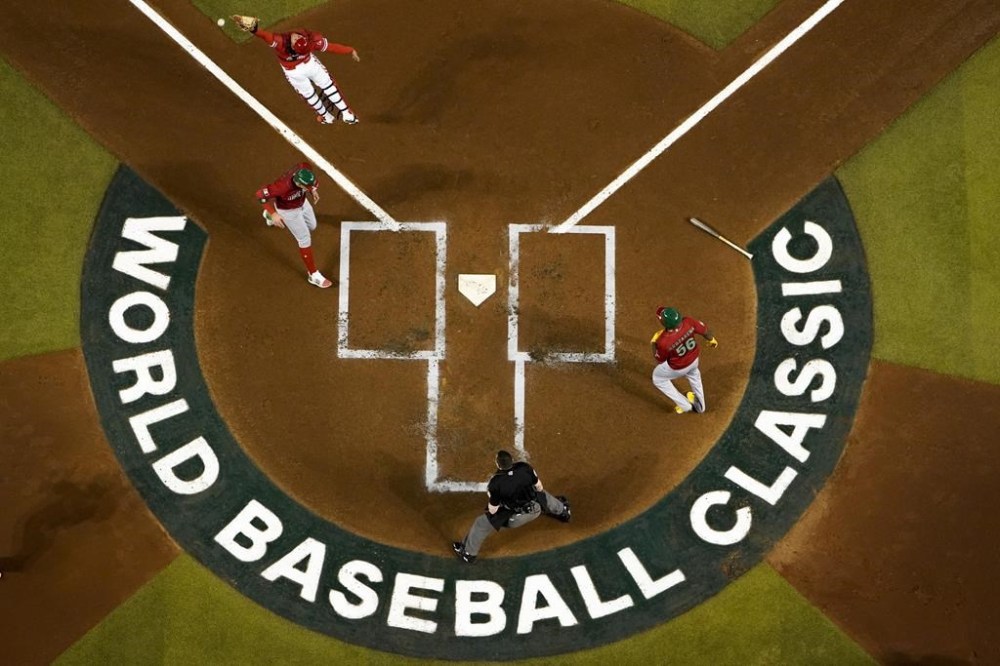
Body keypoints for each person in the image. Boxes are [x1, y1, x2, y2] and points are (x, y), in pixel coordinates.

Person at [234, 15, 361, 125]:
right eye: (296, 39)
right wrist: (349, 50)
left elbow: (264, 35)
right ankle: (347, 114)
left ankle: (327, 117)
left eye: (296, 40)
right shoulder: (312, 42)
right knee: (328, 86)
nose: (295, 36)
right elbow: (331, 47)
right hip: (310, 65)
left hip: (293, 72)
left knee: (309, 95)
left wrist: (254, 30)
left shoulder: (281, 43)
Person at [452, 450, 571, 563]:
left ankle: (468, 553)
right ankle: (563, 511)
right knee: (539, 493)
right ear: (512, 460)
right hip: (536, 507)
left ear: (498, 465)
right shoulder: (525, 467)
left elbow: (493, 510)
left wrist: (492, 496)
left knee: (481, 523)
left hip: (517, 518)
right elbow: (539, 486)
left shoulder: (496, 483)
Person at [255, 163, 333, 288]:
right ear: (299, 183)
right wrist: (273, 213)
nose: (310, 187)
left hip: (303, 203)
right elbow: (260, 195)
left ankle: (270, 217)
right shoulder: (281, 187)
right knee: (304, 238)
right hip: (288, 211)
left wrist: (312, 190)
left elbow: (309, 178)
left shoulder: (305, 169)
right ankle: (313, 275)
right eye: (307, 186)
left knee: (312, 226)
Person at [651, 306, 718, 414]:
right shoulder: (689, 322)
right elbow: (705, 331)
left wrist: (654, 343)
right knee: (694, 376)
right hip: (694, 361)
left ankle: (685, 405)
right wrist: (712, 340)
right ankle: (701, 407)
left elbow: (660, 360)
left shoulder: (663, 341)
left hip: (678, 368)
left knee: (658, 378)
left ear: (664, 324)